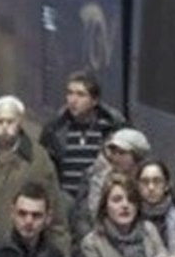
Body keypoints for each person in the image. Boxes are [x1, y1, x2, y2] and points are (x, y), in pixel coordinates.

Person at [0, 95, 69, 257]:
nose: (5, 127)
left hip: (23, 252)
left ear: (20, 121)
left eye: (10, 121)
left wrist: (61, 256)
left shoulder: (38, 159)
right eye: (0, 121)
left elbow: (55, 212)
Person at [39, 70, 126, 199]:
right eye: (70, 93)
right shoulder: (55, 130)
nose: (73, 100)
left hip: (100, 201)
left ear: (94, 100)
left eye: (81, 94)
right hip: (65, 202)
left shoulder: (112, 127)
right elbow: (45, 172)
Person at [73, 127, 151, 244]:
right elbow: (83, 219)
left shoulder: (148, 183)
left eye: (122, 153)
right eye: (114, 152)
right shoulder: (96, 181)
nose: (116, 158)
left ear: (137, 156)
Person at [136, 159, 175, 254]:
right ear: (138, 186)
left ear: (166, 185)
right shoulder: (131, 216)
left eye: (157, 181)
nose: (151, 187)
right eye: (145, 182)